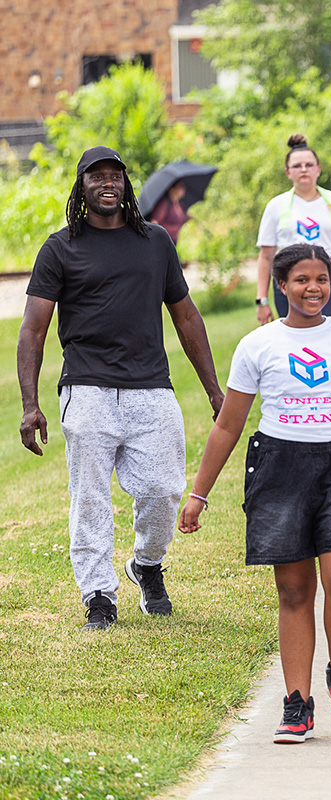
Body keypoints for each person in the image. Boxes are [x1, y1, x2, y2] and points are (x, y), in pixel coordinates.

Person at [177, 243, 331, 743]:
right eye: (301, 280)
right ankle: (296, 702)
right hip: (279, 468)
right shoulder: (258, 344)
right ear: (282, 285)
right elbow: (229, 424)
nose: (313, 288)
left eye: (321, 279)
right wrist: (198, 493)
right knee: (293, 591)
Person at [18, 145, 224, 630]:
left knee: (164, 488)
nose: (107, 183)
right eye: (96, 177)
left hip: (151, 389)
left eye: (115, 176)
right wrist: (31, 405)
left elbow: (186, 316)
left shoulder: (154, 241)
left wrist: (216, 391)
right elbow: (33, 329)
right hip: (87, 389)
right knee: (89, 496)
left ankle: (146, 565)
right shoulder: (61, 246)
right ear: (82, 187)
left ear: (126, 186)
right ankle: (98, 596)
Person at [256, 134, 331, 324]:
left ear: (318, 169)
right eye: (296, 166)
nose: (303, 169)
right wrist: (262, 300)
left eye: (309, 165)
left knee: (330, 333)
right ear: (287, 172)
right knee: (294, 334)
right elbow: (266, 256)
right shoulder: (276, 206)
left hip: (329, 279)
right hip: (288, 282)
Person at [148, 179, 189, 244]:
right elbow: (154, 222)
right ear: (171, 188)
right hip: (163, 241)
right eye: (180, 186)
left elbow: (178, 223)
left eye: (183, 187)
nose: (183, 189)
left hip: (173, 241)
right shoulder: (164, 204)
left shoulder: (180, 205)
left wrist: (186, 219)